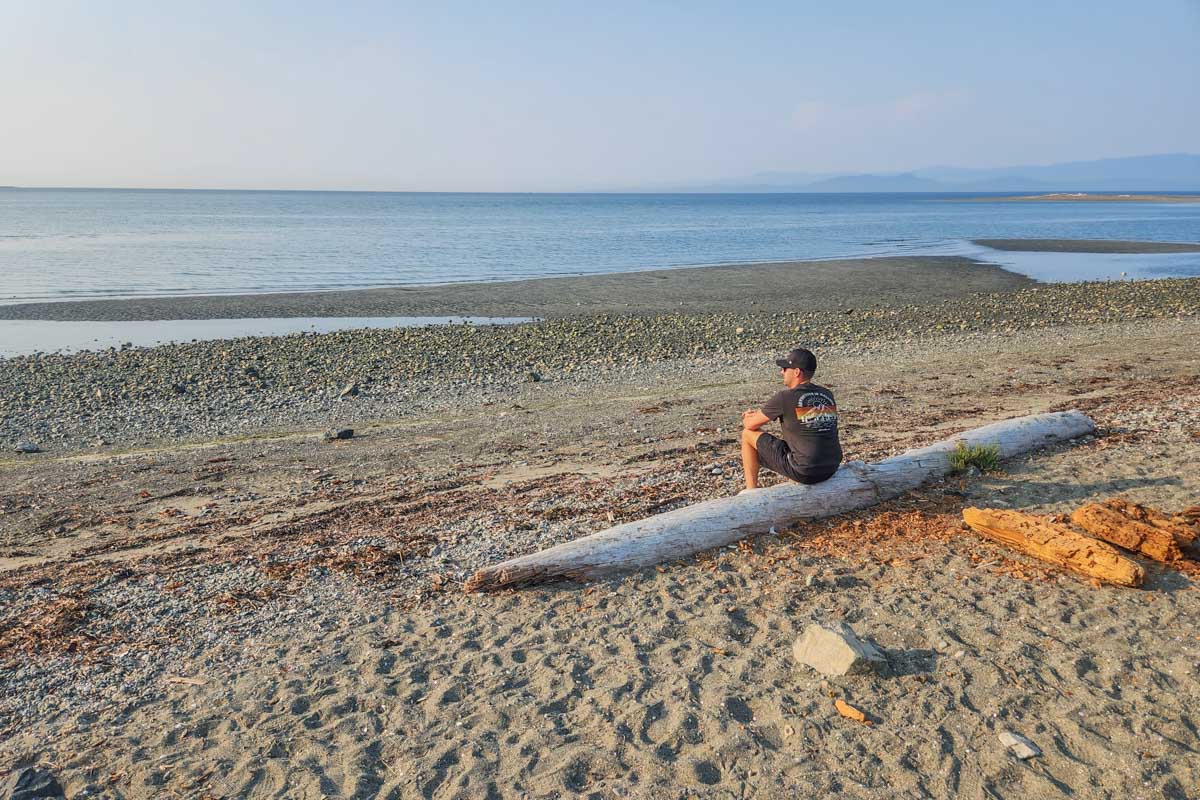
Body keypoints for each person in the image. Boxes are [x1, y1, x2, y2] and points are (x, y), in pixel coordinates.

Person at [739, 347, 842, 492]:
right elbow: (807, 416)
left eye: (785, 368)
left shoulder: (784, 397)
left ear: (797, 372)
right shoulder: (827, 394)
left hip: (806, 471)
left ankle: (750, 492)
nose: (782, 372)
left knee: (747, 434)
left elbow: (750, 424)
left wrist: (749, 417)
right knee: (803, 437)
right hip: (832, 466)